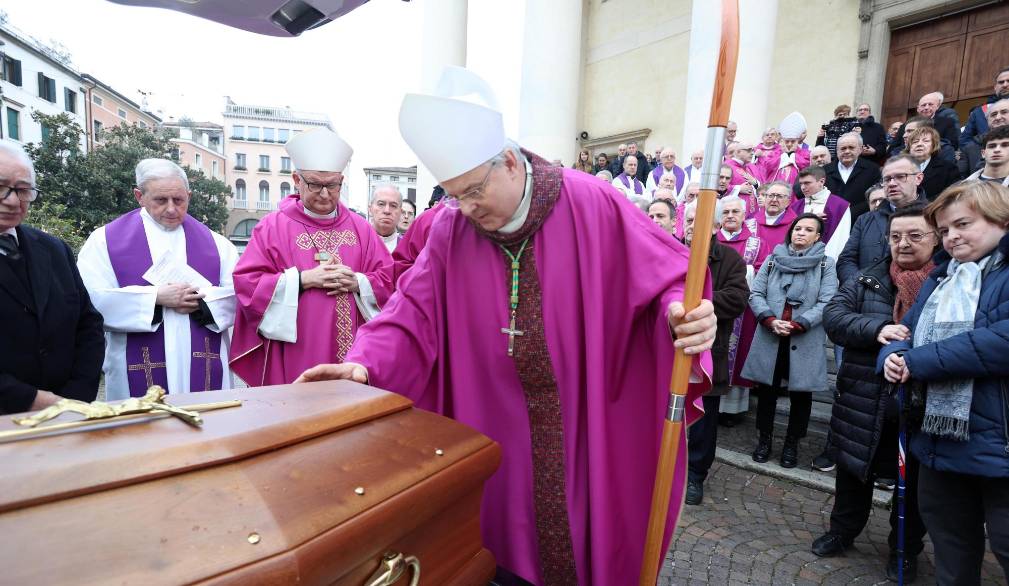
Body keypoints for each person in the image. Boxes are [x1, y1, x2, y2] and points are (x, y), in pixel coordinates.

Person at [294, 65, 717, 586]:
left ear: (511, 163)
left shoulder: (593, 203)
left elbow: (668, 276)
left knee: (586, 545)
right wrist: (362, 365)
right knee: (497, 548)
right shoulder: (451, 228)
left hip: (585, 420)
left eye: (473, 191)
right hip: (491, 421)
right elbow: (411, 311)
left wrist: (681, 313)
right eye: (454, 195)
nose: (467, 209)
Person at [879, 181, 1009, 584]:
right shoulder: (940, 281)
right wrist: (890, 359)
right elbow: (904, 334)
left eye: (963, 224)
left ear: (1000, 219)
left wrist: (915, 361)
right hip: (940, 442)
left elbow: (998, 342)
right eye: (945, 230)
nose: (952, 237)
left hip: (1000, 445)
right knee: (951, 552)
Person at [813, 204, 934, 582]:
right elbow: (834, 316)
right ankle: (842, 531)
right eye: (896, 236)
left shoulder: (946, 280)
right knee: (852, 473)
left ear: (936, 237)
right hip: (863, 399)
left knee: (912, 487)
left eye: (915, 235)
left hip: (918, 404)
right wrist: (878, 327)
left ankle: (905, 549)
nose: (904, 243)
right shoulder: (869, 277)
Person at [230, 128, 394, 386]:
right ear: (296, 179)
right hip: (296, 351)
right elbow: (247, 284)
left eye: (332, 185)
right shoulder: (273, 227)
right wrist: (302, 279)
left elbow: (389, 280)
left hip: (354, 353)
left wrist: (358, 283)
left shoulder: (361, 228)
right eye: (316, 184)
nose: (325, 194)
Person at [78, 158, 237, 398]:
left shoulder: (217, 244)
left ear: (189, 196)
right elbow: (90, 300)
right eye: (161, 200)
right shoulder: (105, 241)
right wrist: (155, 298)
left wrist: (202, 303)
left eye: (179, 200)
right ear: (139, 196)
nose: (172, 209)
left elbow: (239, 293)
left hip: (204, 357)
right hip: (134, 361)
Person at [0, 141, 104, 414]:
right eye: (1, 187)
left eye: (22, 190)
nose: (12, 200)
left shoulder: (53, 249)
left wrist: (76, 396)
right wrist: (31, 400)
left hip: (64, 417)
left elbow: (88, 324)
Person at [742, 213, 839, 468]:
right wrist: (770, 319)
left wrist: (800, 323)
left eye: (808, 230)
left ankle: (791, 444)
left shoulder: (825, 265)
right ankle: (764, 440)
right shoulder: (773, 260)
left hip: (804, 336)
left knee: (801, 396)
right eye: (798, 228)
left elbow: (828, 300)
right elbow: (756, 293)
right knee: (767, 392)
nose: (801, 233)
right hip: (771, 333)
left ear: (818, 236)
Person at [683, 199, 749, 505]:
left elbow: (736, 299)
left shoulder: (730, 260)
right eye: (689, 219)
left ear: (716, 225)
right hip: (668, 351)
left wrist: (696, 303)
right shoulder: (669, 250)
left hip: (708, 353)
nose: (693, 225)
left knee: (703, 423)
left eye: (701, 219)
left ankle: (695, 475)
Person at [717, 195, 771, 426]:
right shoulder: (710, 239)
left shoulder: (756, 244)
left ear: (744, 215)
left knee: (737, 355)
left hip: (743, 310)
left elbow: (765, 272)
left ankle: (732, 410)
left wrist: (747, 272)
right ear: (719, 217)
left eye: (735, 212)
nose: (730, 216)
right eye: (726, 212)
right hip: (714, 307)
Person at [837, 155, 929, 285]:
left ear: (918, 178)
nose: (892, 183)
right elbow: (846, 260)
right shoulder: (864, 220)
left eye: (901, 176)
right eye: (887, 179)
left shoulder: (933, 216)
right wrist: (861, 286)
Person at [790, 166, 852, 260]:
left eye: (807, 183)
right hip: (796, 260)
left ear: (821, 182)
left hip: (826, 262)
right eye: (801, 183)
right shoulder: (795, 206)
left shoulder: (840, 206)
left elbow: (841, 239)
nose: (802, 187)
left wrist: (829, 265)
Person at [824, 132, 882, 219]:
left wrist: (850, 213)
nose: (847, 151)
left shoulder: (873, 170)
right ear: (837, 150)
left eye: (851, 148)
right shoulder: (824, 171)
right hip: (830, 221)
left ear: (860, 149)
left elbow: (875, 196)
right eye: (843, 148)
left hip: (861, 220)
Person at [904, 126, 959, 201]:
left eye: (925, 141)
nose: (919, 144)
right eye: (915, 142)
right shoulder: (899, 167)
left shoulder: (948, 168)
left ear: (934, 145)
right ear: (909, 147)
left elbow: (951, 195)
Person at [960, 68, 1009, 151]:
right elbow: (965, 141)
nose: (1005, 85)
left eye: (1008, 81)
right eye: (1001, 82)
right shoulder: (979, 112)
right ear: (995, 87)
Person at [960, 98, 1008, 177]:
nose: (998, 117)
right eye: (993, 114)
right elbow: (960, 178)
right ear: (987, 120)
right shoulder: (970, 148)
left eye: (1004, 112)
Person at [759, 112, 811, 186]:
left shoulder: (805, 153)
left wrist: (792, 155)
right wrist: (784, 155)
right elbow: (768, 166)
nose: (789, 144)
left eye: (793, 141)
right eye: (787, 141)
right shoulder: (775, 153)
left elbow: (806, 167)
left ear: (797, 141)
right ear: (782, 141)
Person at [755, 181, 798, 248]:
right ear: (766, 198)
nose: (774, 200)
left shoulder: (795, 225)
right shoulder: (751, 223)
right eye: (771, 196)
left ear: (788, 202)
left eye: (779, 196)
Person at [368, 184, 404, 252]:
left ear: (400, 212)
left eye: (393, 206)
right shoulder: (357, 243)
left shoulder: (407, 248)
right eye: (381, 204)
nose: (387, 211)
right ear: (370, 209)